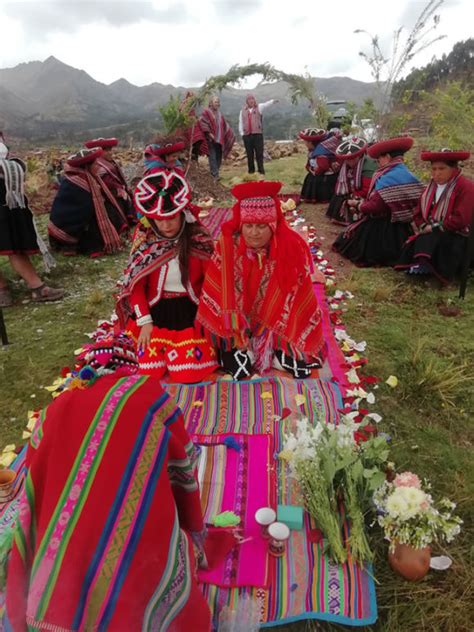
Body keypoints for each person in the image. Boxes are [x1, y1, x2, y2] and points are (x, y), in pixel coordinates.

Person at [1, 373, 211, 631]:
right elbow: (184, 471)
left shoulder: (54, 411)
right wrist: (192, 527)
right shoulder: (156, 403)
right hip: (134, 591)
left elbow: (36, 483)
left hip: (49, 598)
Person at [196, 180, 325, 380]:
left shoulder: (289, 248)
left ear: (273, 226)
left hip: (275, 327)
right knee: (239, 367)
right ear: (241, 224)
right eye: (248, 226)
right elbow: (219, 291)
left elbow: (296, 296)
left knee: (299, 365)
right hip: (236, 327)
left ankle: (271, 347)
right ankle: (242, 348)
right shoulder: (228, 247)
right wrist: (236, 330)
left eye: (261, 226)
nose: (254, 233)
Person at [116, 168, 218, 383]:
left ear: (183, 214)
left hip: (192, 310)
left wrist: (209, 318)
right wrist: (144, 322)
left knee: (187, 372)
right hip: (155, 311)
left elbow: (213, 283)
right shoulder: (145, 244)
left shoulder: (198, 240)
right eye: (158, 220)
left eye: (171, 218)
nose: (165, 225)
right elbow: (136, 287)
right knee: (150, 370)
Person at [333, 136, 424, 266]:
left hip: (381, 228)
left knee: (346, 242)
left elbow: (376, 206)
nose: (377, 162)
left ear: (387, 157)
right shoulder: (408, 175)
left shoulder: (387, 178)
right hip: (402, 230)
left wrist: (358, 205)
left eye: (380, 158)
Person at [395, 148, 474, 283]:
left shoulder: (466, 187)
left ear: (453, 168)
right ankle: (423, 269)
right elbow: (418, 214)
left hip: (458, 235)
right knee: (422, 239)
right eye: (434, 169)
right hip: (432, 231)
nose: (437, 173)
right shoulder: (429, 188)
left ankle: (436, 273)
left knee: (431, 239)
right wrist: (424, 225)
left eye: (442, 169)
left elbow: (461, 219)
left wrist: (433, 228)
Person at [0, 145, 63, 307]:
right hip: (7, 196)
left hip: (7, 198)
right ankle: (2, 291)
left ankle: (37, 287)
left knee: (13, 244)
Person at [48, 148, 129, 256]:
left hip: (82, 221)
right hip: (68, 228)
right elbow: (80, 212)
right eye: (96, 164)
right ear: (87, 166)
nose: (99, 167)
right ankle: (72, 244)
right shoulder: (78, 182)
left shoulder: (89, 177)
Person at [326, 137, 377, 225]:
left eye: (352, 158)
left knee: (350, 200)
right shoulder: (346, 166)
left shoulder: (368, 167)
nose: (349, 161)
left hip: (367, 194)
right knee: (339, 196)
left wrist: (353, 195)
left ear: (359, 156)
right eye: (347, 159)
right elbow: (341, 184)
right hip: (353, 189)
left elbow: (368, 189)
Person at [84, 137, 134, 223]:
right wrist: (120, 189)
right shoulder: (97, 166)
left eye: (110, 150)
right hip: (107, 198)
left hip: (117, 194)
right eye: (106, 150)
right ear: (98, 152)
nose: (110, 153)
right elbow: (106, 183)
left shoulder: (111, 163)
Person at [238, 94, 278, 175]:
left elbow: (266, 104)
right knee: (249, 155)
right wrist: (242, 134)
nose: (251, 101)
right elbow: (241, 123)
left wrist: (273, 101)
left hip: (257, 135)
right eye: (249, 100)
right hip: (247, 136)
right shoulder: (242, 111)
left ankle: (261, 171)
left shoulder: (259, 107)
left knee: (259, 154)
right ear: (247, 101)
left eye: (252, 99)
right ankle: (251, 172)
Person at [300, 128, 342, 203]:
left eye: (305, 142)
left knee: (316, 179)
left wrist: (315, 172)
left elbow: (323, 167)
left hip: (325, 176)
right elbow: (309, 162)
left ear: (310, 142)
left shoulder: (321, 152)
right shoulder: (313, 151)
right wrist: (309, 168)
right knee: (310, 177)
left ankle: (321, 197)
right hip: (316, 171)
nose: (305, 144)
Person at [199, 96, 235, 179]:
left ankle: (215, 173)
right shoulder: (206, 112)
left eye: (218, 102)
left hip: (219, 139)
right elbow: (203, 123)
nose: (217, 103)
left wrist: (229, 134)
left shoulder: (219, 114)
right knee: (212, 156)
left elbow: (224, 125)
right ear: (211, 103)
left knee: (219, 156)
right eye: (215, 102)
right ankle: (215, 174)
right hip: (210, 138)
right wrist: (209, 133)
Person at [179, 91, 207, 161]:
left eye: (192, 96)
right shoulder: (184, 103)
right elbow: (181, 113)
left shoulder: (192, 104)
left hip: (193, 124)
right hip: (186, 125)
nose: (191, 97)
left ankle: (194, 160)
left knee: (198, 140)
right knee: (187, 142)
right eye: (191, 95)